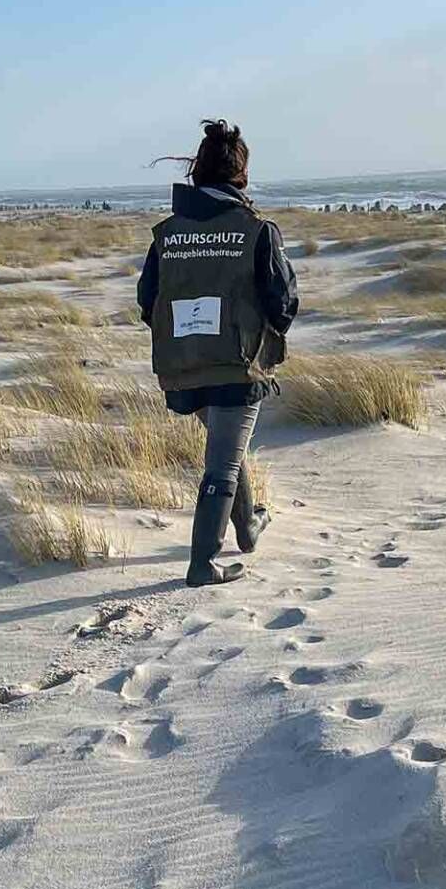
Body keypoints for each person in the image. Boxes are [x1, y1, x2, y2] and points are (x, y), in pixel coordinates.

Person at [137, 120, 299, 588]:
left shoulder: (167, 234)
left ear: (198, 173)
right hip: (237, 363)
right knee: (224, 460)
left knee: (227, 447)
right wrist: (262, 336)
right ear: (240, 174)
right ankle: (202, 563)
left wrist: (188, 338)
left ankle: (246, 526)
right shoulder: (256, 229)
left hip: (182, 363)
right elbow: (284, 301)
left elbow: (148, 300)